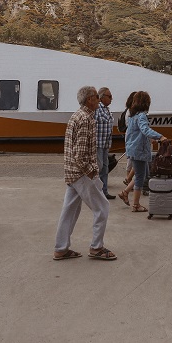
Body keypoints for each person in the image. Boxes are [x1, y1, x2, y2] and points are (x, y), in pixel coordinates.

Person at [53, 86, 116, 261]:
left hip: (72, 173)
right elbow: (80, 155)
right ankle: (96, 247)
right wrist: (93, 173)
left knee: (70, 211)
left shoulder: (77, 116)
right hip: (82, 174)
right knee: (102, 207)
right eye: (97, 96)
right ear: (90, 99)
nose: (99, 98)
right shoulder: (86, 119)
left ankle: (61, 248)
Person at [119, 91, 163, 212]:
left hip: (133, 149)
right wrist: (160, 136)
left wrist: (151, 137)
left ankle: (125, 192)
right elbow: (145, 129)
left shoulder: (132, 116)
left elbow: (135, 133)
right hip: (139, 151)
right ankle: (135, 204)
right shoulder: (142, 116)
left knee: (141, 174)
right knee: (140, 177)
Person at [95, 86, 116, 199]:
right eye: (109, 96)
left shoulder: (107, 109)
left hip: (105, 144)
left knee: (105, 168)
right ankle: (97, 192)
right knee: (98, 168)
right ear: (102, 97)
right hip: (98, 144)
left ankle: (104, 192)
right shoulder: (97, 109)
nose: (111, 99)